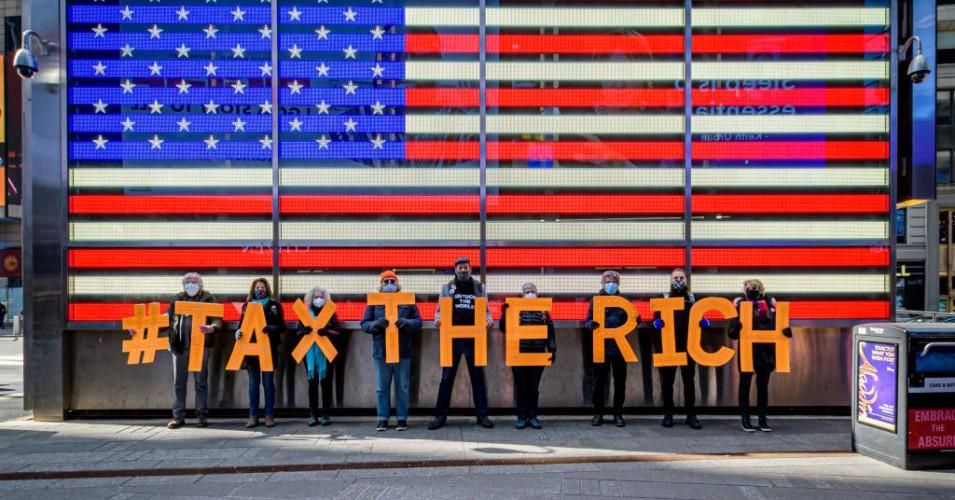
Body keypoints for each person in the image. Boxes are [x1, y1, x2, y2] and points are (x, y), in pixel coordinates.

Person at [429, 256, 495, 430]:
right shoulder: (447, 288)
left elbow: (486, 310)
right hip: (452, 338)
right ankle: (440, 416)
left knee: (478, 377)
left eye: (466, 267)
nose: (463, 270)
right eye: (460, 268)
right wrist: (437, 320)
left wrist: (489, 320)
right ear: (455, 269)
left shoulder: (480, 287)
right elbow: (439, 310)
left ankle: (482, 415)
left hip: (474, 338)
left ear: (470, 268)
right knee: (446, 378)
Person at [360, 271, 423, 432]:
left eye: (392, 281)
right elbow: (364, 324)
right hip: (381, 351)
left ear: (397, 284)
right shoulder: (374, 302)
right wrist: (376, 324)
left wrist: (407, 322)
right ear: (381, 284)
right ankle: (383, 419)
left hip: (403, 350)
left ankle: (402, 419)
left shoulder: (408, 301)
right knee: (382, 387)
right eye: (386, 281)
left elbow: (418, 322)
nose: (389, 284)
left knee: (402, 386)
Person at [729, 279, 792, 433]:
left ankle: (763, 420)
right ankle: (745, 420)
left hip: (766, 352)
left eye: (756, 287)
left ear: (762, 289)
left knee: (762, 388)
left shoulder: (772, 307)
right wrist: (736, 327)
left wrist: (787, 332)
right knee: (745, 387)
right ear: (744, 289)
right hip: (748, 351)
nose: (753, 290)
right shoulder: (739, 307)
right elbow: (731, 334)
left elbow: (780, 325)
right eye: (750, 287)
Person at [165, 272, 222, 429]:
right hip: (179, 346)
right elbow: (166, 319)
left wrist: (212, 327)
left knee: (200, 382)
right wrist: (141, 329)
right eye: (187, 281)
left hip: (201, 346)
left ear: (201, 284)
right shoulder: (177, 299)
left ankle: (201, 415)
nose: (191, 284)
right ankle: (178, 417)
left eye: (194, 281)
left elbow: (217, 318)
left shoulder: (209, 298)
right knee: (179, 383)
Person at [499, 282, 556, 430]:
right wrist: (504, 313)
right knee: (521, 387)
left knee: (533, 387)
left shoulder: (543, 311)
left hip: (538, 354)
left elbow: (550, 330)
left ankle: (533, 416)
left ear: (537, 293)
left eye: (532, 291)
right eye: (527, 291)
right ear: (522, 294)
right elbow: (504, 328)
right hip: (519, 354)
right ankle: (522, 416)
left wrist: (552, 348)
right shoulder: (515, 310)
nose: (530, 294)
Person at [653, 268, 702, 430]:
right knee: (668, 382)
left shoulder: (693, 298)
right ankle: (668, 414)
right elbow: (656, 319)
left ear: (686, 280)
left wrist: (703, 322)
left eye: (681, 277)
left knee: (689, 382)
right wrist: (657, 323)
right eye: (676, 278)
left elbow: (700, 317)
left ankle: (691, 415)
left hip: (689, 346)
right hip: (669, 347)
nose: (679, 280)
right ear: (670, 280)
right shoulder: (664, 297)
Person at [235, 278, 285, 429]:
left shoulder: (274, 306)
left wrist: (272, 328)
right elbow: (241, 325)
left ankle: (269, 416)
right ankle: (253, 416)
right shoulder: (247, 306)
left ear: (267, 289)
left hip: (268, 350)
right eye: (257, 287)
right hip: (251, 351)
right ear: (253, 289)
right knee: (253, 385)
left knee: (268, 383)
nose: (259, 289)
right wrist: (238, 332)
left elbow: (282, 327)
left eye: (262, 287)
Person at [584, 270, 629, 427]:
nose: (611, 284)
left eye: (614, 281)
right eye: (608, 281)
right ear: (602, 283)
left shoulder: (624, 301)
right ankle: (598, 413)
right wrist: (592, 325)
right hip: (601, 348)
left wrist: (637, 319)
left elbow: (631, 320)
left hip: (620, 349)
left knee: (620, 383)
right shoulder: (595, 301)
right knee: (599, 383)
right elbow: (587, 321)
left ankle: (618, 414)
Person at [297, 286, 341, 426]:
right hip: (309, 353)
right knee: (312, 383)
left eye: (321, 297)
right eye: (316, 297)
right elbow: (297, 333)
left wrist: (327, 332)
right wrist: (303, 331)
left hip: (326, 353)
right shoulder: (304, 314)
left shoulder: (330, 314)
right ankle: (313, 414)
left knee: (326, 383)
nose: (319, 300)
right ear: (310, 299)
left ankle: (326, 414)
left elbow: (338, 332)